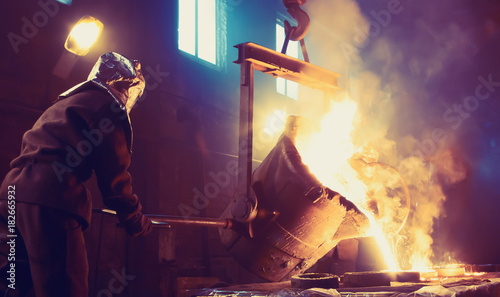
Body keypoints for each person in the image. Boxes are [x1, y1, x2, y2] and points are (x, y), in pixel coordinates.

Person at [0, 52, 153, 297]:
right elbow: (114, 175)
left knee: (16, 285)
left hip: (11, 195)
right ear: (127, 87)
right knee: (65, 288)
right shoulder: (108, 108)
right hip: (50, 197)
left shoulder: (65, 103)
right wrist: (134, 218)